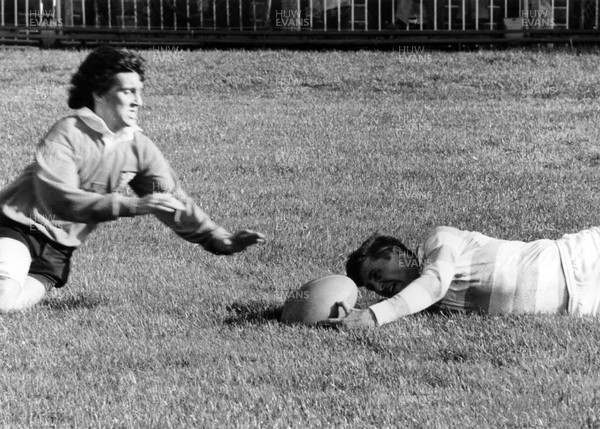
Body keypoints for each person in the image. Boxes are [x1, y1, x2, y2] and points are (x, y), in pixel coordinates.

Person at [0, 46, 264, 312]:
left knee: (9, 307)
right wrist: (133, 205)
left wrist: (217, 238)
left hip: (57, 252)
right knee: (2, 299)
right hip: (17, 227)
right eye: (128, 91)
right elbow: (59, 200)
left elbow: (171, 199)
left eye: (140, 92)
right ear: (99, 93)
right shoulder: (67, 132)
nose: (139, 101)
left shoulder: (138, 146)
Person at [326, 225, 600, 328]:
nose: (380, 287)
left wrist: (373, 316)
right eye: (373, 287)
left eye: (376, 273)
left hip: (579, 259)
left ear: (395, 252)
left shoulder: (440, 239)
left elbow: (435, 282)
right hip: (581, 307)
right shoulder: (424, 305)